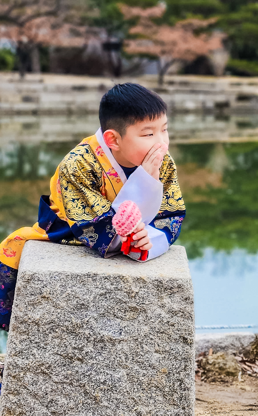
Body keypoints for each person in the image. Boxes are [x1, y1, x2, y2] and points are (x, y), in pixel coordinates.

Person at [0, 83, 186, 332]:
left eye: (164, 130)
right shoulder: (77, 164)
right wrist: (143, 184)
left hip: (136, 230)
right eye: (148, 134)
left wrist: (148, 237)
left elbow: (170, 213)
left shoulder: (163, 161)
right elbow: (96, 225)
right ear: (113, 139)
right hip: (73, 229)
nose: (161, 143)